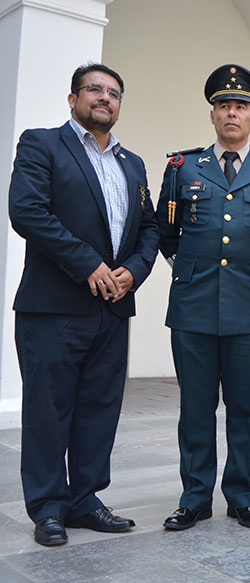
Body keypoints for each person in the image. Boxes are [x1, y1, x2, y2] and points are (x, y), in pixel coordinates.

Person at [9, 63, 159, 546]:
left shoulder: (131, 163)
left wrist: (133, 270)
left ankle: (86, 499)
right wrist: (88, 264)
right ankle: (48, 507)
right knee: (49, 410)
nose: (105, 98)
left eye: (114, 93)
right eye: (94, 89)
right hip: (54, 306)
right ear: (72, 98)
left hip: (112, 308)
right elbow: (27, 210)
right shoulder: (42, 143)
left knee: (100, 408)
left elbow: (151, 228)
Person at [156, 64, 250, 530]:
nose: (232, 113)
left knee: (244, 408)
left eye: (241, 106)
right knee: (194, 408)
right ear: (212, 115)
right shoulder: (182, 167)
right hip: (192, 306)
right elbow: (166, 232)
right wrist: (191, 274)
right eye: (224, 106)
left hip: (249, 308)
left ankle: (241, 496)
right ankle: (194, 498)